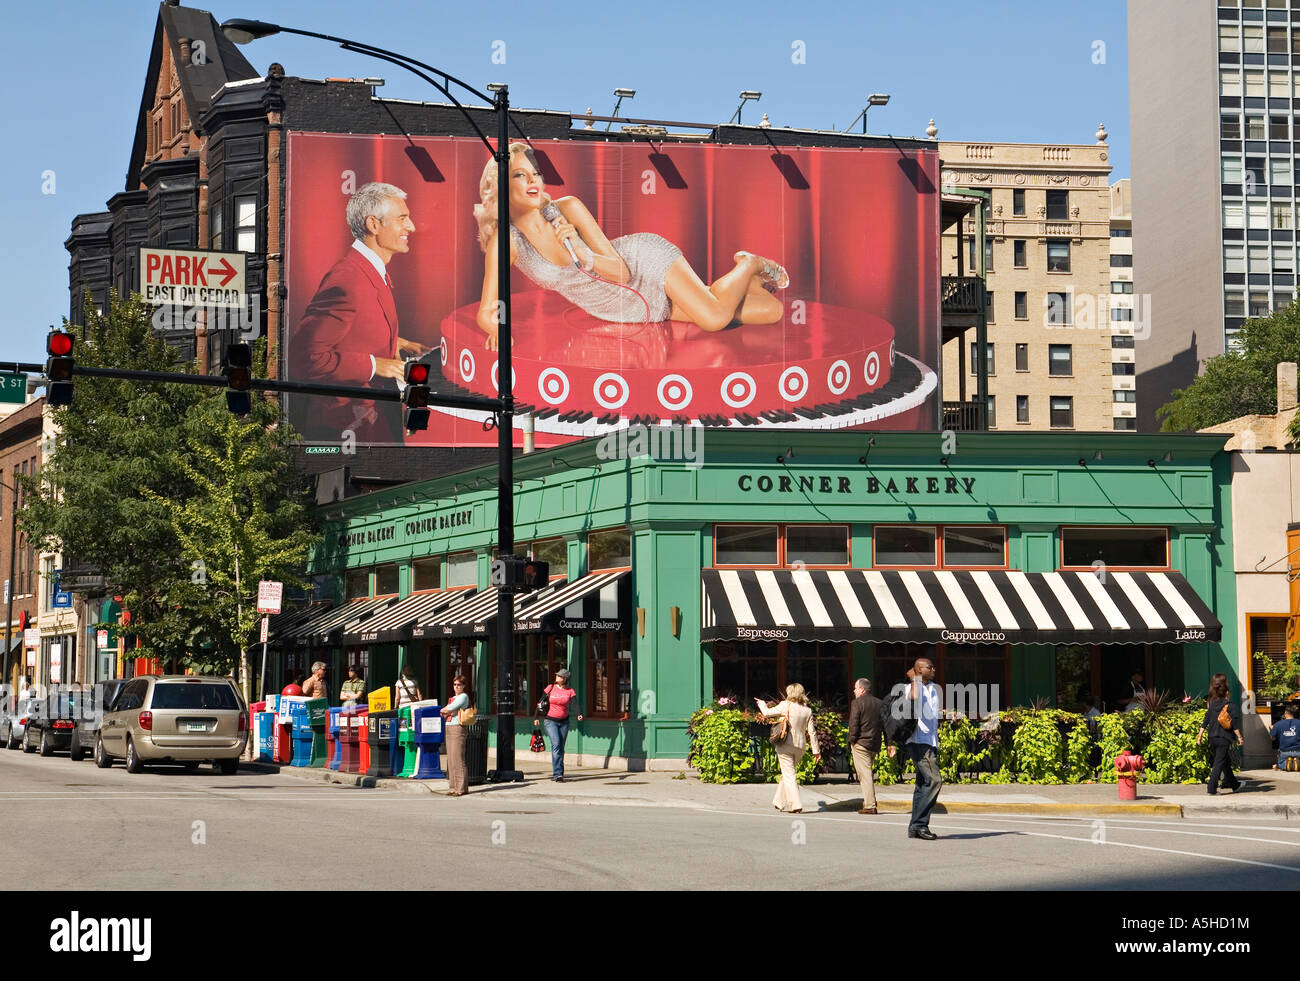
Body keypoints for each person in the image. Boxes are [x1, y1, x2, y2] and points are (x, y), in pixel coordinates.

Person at [472, 143, 788, 350]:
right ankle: (751, 282)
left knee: (715, 318)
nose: (533, 180)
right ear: (499, 183)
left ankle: (747, 263)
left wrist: (583, 254)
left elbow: (621, 272)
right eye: (519, 174)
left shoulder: (567, 208)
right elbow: (487, 311)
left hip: (644, 264)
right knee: (771, 311)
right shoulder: (507, 241)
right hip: (631, 309)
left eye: (535, 173)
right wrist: (497, 329)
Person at [293, 181, 431, 442]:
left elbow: (351, 327)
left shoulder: (369, 271)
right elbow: (304, 357)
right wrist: (376, 365)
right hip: (347, 430)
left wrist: (397, 342)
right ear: (373, 225)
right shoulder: (348, 279)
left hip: (369, 425)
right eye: (402, 218)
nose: (411, 226)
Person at [754, 683, 821, 813]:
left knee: (789, 775)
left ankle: (795, 804)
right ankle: (779, 802)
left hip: (785, 744)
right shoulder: (807, 710)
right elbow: (812, 732)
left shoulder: (786, 705)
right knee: (787, 774)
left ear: (790, 693)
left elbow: (767, 713)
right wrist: (816, 751)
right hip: (800, 747)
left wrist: (762, 703)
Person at [905, 657, 943, 840]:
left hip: (931, 741)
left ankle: (914, 827)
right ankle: (920, 824)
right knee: (935, 781)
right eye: (930, 666)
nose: (934, 668)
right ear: (920, 670)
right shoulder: (913, 686)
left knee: (922, 785)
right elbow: (913, 697)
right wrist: (914, 679)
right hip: (919, 741)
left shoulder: (934, 688)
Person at [1197, 672, 1244, 794]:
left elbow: (1206, 720)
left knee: (1225, 763)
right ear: (1226, 691)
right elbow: (1234, 725)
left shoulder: (1212, 705)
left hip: (1212, 738)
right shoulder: (1231, 706)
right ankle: (1211, 789)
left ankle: (1235, 785)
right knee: (1219, 763)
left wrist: (1200, 735)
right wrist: (1239, 737)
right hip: (1224, 739)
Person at [533, 667, 583, 781]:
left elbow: (575, 704)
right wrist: (536, 717)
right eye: (557, 675)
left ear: (565, 679)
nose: (557, 677)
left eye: (559, 676)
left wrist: (579, 713)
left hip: (564, 722)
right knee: (556, 744)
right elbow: (540, 702)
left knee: (561, 747)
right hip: (550, 721)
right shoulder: (550, 688)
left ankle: (560, 772)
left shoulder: (570, 691)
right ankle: (557, 774)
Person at [847, 677, 885, 815]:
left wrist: (851, 741)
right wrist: (889, 743)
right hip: (874, 744)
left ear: (862, 689)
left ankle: (870, 805)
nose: (854, 691)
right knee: (865, 773)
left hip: (860, 744)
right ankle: (868, 802)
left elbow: (853, 724)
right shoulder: (880, 703)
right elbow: (886, 725)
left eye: (856, 688)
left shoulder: (857, 703)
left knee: (865, 774)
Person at [439, 675, 473, 796]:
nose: (456, 687)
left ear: (463, 686)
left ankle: (461, 788)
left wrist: (446, 710)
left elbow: (450, 709)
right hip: (448, 726)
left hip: (458, 727)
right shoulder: (453, 698)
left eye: (459, 684)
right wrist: (446, 710)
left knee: (458, 758)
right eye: (455, 684)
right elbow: (446, 711)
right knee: (451, 759)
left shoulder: (464, 696)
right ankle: (452, 787)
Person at [1269, 702, 1300, 770]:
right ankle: (1296, 763)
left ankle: (1287, 764)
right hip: (1298, 751)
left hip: (1284, 752)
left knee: (1281, 764)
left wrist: (1272, 729)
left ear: (1285, 712)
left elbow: (1273, 738)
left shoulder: (1278, 724)